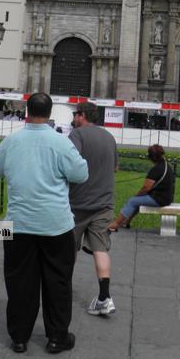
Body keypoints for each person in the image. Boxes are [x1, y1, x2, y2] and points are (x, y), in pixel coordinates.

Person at [0, 92, 88, 355]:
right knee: (57, 281)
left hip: (18, 222)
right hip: (55, 224)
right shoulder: (60, 143)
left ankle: (19, 337)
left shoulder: (10, 142)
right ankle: (57, 337)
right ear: (49, 113)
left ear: (27, 111)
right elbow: (80, 174)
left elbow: (0, 172)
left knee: (19, 281)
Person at [69, 102, 119, 317]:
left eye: (75, 114)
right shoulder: (109, 137)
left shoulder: (77, 135)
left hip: (77, 203)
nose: (73, 118)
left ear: (82, 116)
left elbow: (70, 163)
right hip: (104, 203)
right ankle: (104, 297)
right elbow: (115, 167)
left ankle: (63, 287)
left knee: (68, 249)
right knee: (101, 249)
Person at [108, 144, 174, 231]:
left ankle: (115, 224)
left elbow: (146, 188)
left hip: (159, 199)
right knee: (138, 202)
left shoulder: (156, 169)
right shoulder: (166, 165)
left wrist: (137, 195)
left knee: (132, 201)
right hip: (167, 198)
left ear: (151, 157)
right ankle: (126, 222)